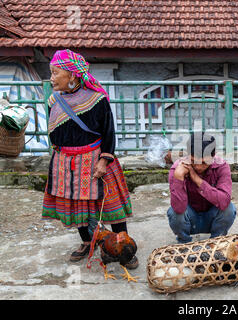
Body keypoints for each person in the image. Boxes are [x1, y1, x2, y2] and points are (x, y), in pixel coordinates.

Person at [42, 49, 138, 268]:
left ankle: (123, 247)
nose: (52, 78)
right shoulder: (53, 100)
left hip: (95, 159)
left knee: (111, 206)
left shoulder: (97, 99)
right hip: (65, 161)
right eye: (51, 73)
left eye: (56, 73)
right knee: (76, 206)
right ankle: (88, 241)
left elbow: (108, 133)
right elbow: (55, 133)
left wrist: (104, 160)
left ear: (72, 75)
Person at [167, 132, 236, 243]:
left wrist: (196, 179)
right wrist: (179, 177)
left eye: (204, 162)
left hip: (212, 217)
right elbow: (178, 208)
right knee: (174, 213)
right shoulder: (178, 168)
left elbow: (224, 201)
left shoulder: (222, 166)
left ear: (213, 156)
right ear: (188, 155)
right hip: (190, 219)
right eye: (194, 161)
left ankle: (216, 242)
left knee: (229, 209)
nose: (198, 167)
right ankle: (184, 243)